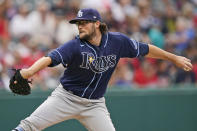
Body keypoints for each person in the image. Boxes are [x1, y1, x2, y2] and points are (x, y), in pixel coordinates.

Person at [12, 8, 193, 131]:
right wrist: (28, 72)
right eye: (78, 23)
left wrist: (174, 57)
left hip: (94, 104)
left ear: (97, 24)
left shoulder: (117, 41)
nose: (80, 26)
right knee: (28, 126)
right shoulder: (75, 45)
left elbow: (146, 49)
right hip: (65, 98)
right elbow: (49, 58)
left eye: (84, 22)